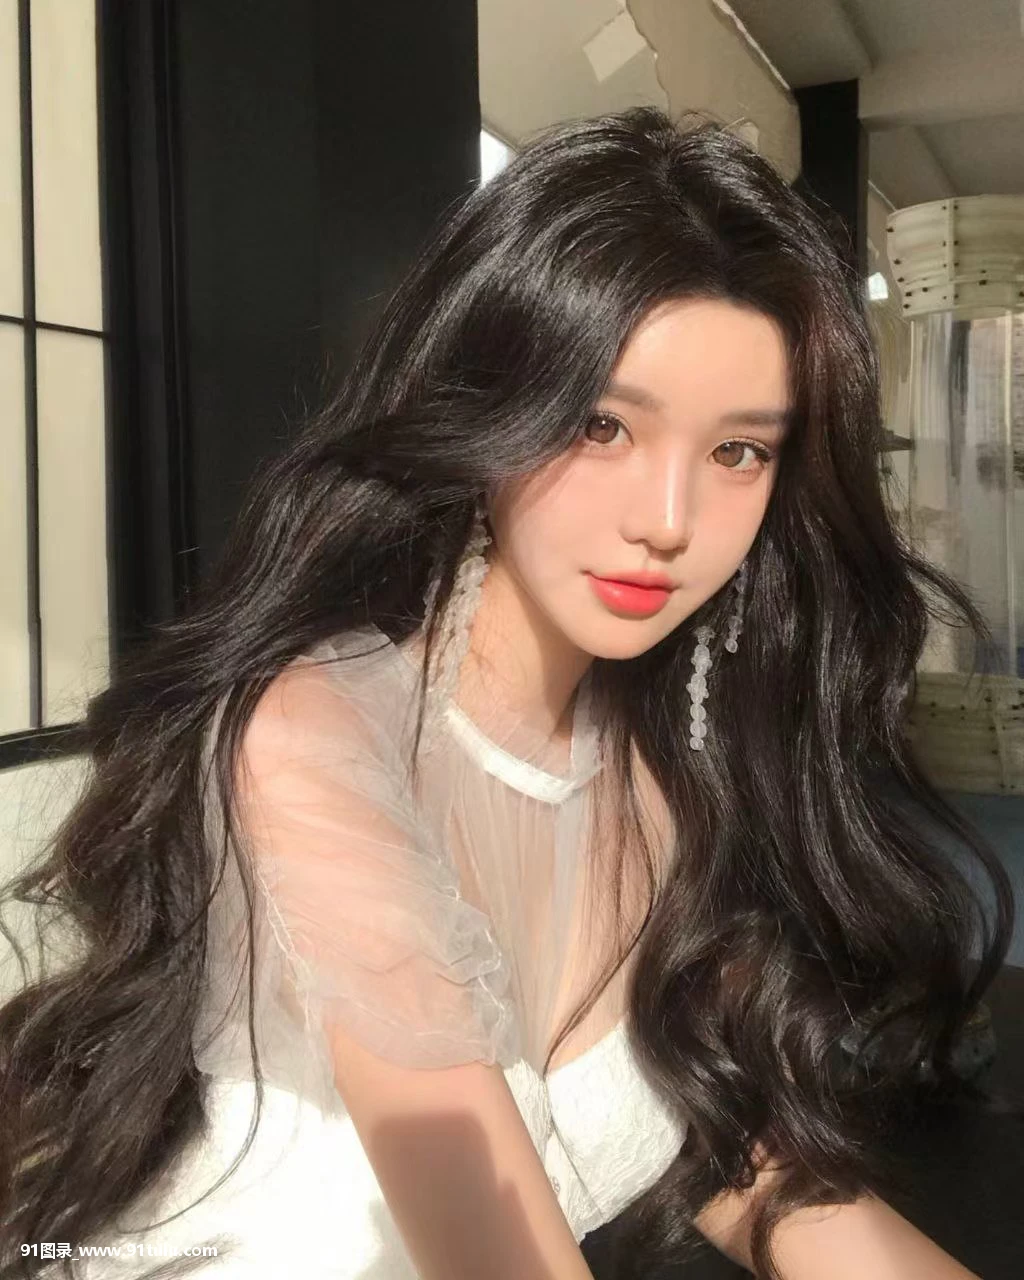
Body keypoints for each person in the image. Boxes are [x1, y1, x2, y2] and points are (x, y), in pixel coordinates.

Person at [0, 107, 1013, 1280]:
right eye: (601, 425)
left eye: (737, 451)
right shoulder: (319, 734)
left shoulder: (677, 765)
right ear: (489, 409)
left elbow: (751, 1162)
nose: (667, 520)